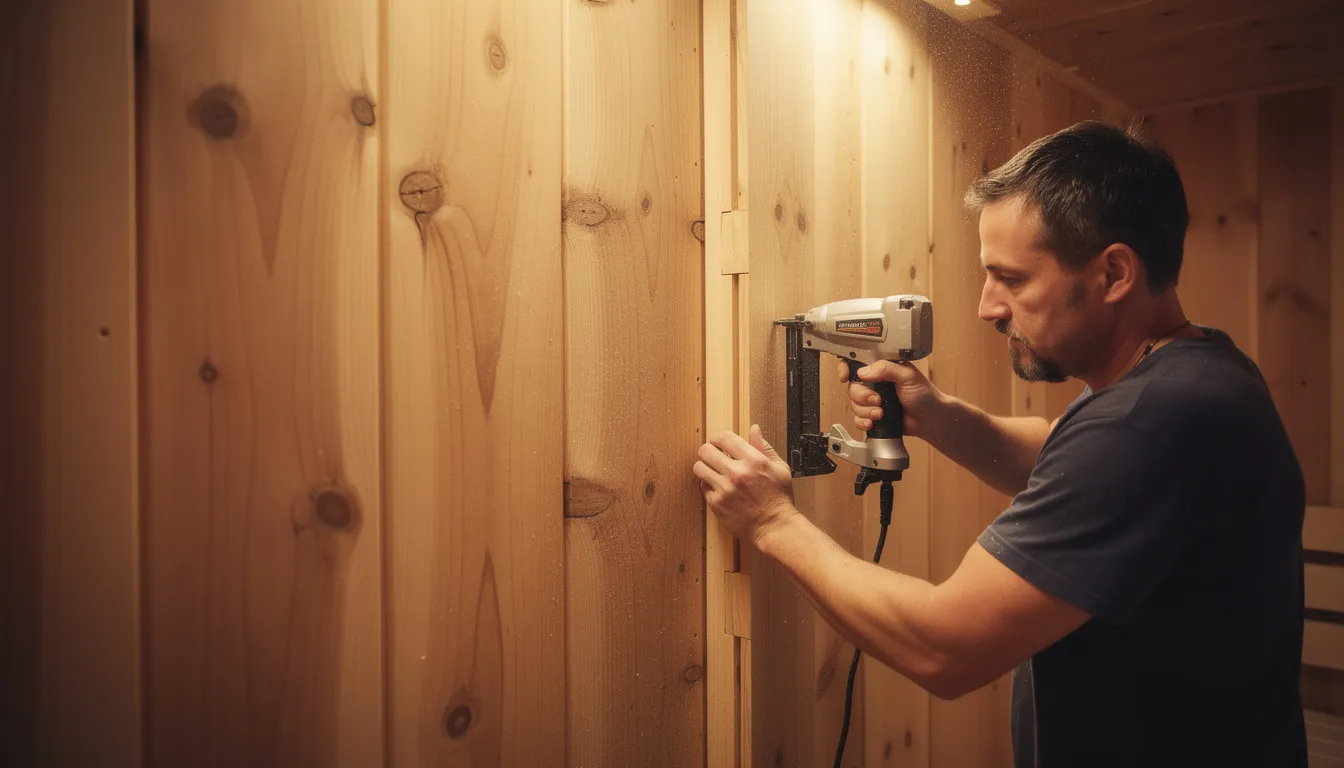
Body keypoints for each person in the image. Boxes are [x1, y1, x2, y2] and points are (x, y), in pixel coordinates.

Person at [692, 120, 1308, 767]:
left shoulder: (1146, 422)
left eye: (1009, 278)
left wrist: (772, 521)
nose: (988, 306)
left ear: (1114, 273)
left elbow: (944, 647)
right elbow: (1066, 461)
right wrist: (940, 416)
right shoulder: (1199, 373)